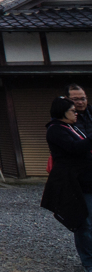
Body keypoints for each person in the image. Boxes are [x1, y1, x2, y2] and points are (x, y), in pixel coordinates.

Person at [41, 96, 92, 271]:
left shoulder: (71, 126)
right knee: (83, 222)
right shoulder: (55, 130)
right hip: (74, 182)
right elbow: (75, 149)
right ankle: (88, 261)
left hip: (86, 178)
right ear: (62, 112)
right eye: (72, 111)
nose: (76, 113)